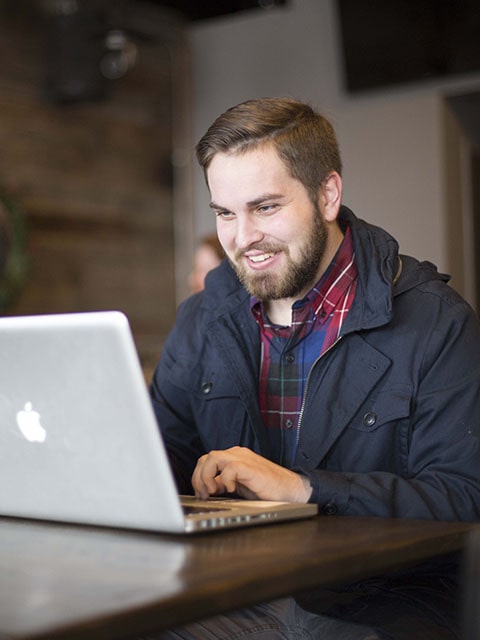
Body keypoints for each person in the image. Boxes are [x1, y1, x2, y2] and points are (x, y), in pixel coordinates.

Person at [148, 97, 480, 639]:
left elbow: (466, 496)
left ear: (328, 194)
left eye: (266, 207)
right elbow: (158, 453)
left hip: (377, 599)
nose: (242, 237)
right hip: (232, 587)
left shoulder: (436, 324)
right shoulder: (203, 317)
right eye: (225, 213)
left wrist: (304, 488)